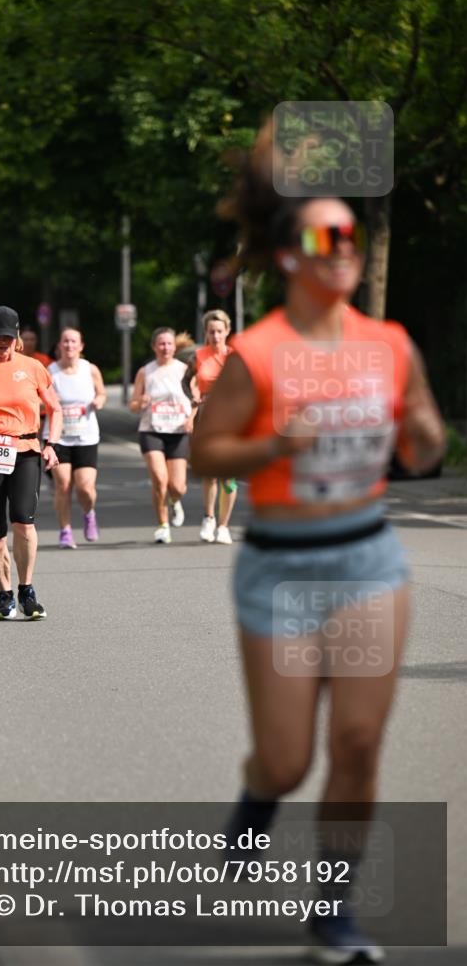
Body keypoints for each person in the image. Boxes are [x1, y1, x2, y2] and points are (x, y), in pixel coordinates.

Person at [192, 126, 446, 964]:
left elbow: (424, 448)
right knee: (286, 759)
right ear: (288, 257)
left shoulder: (388, 345)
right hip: (280, 570)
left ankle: (332, 910)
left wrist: (422, 434)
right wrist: (273, 445)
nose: (340, 251)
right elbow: (205, 454)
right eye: (321, 239)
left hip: (367, 561)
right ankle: (257, 796)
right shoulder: (258, 354)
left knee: (359, 743)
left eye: (350, 238)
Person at [0, 306, 62, 619]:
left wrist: (51, 444)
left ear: (17, 337)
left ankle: (26, 590)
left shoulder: (33, 367)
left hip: (26, 450)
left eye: (9, 337)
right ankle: (5, 595)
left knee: (23, 521)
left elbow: (55, 409)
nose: (3, 342)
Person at [129, 327, 194, 544]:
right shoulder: (145, 372)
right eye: (161, 344)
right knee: (159, 478)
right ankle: (163, 525)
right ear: (154, 347)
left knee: (177, 487)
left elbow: (196, 399)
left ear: (175, 347)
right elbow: (133, 405)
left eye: (169, 344)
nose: (165, 348)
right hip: (151, 430)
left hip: (177, 431)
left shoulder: (185, 370)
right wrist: (141, 402)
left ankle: (175, 500)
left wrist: (191, 418)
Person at [43, 327, 106, 548]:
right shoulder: (50, 371)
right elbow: (37, 400)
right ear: (59, 345)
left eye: (73, 341)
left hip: (86, 436)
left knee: (85, 487)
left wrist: (99, 401)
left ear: (81, 346)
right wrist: (50, 402)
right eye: (65, 341)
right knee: (63, 485)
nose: (69, 345)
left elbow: (101, 392)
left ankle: (89, 513)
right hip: (57, 436)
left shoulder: (90, 369)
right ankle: (65, 531)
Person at [183, 309, 238, 544]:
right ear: (205, 333)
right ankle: (209, 518)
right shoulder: (198, 356)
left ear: (227, 331)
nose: (215, 336)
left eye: (219, 331)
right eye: (211, 331)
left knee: (229, 478)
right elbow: (185, 381)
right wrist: (192, 397)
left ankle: (224, 525)